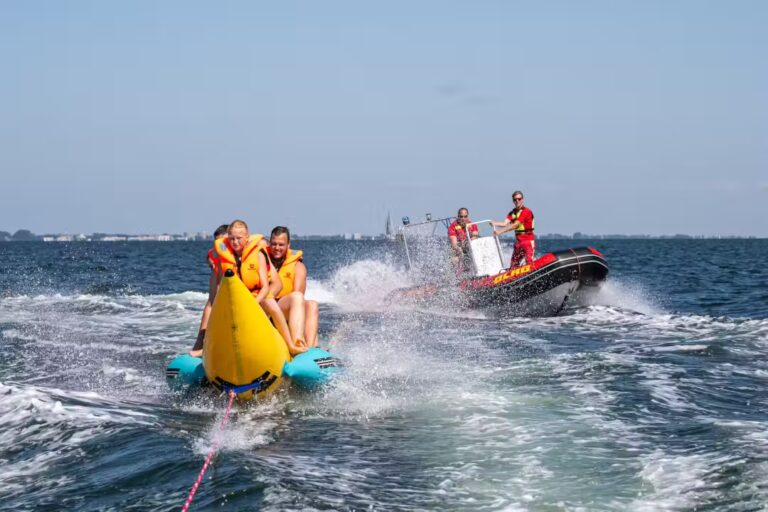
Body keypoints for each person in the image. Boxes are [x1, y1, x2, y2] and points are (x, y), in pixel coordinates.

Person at [191, 220, 306, 356]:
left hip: (257, 301)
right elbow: (220, 289)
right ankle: (207, 349)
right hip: (237, 303)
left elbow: (267, 287)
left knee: (269, 301)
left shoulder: (258, 254)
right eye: (232, 239)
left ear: (247, 238)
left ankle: (291, 345)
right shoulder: (224, 260)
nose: (235, 242)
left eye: (239, 238)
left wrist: (253, 304)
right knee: (218, 309)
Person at [268, 226, 320, 348]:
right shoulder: (263, 260)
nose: (277, 248)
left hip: (285, 309)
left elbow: (298, 295)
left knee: (312, 304)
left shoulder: (297, 266)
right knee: (297, 298)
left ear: (288, 245)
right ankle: (298, 343)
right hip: (268, 309)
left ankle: (310, 348)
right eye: (274, 244)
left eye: (281, 245)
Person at [492, 190, 535, 268]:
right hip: (518, 242)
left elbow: (515, 225)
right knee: (513, 265)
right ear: (513, 201)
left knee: (529, 262)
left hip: (528, 241)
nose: (517, 201)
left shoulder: (526, 212)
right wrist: (494, 223)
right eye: (515, 199)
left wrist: (500, 232)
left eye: (519, 199)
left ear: (522, 199)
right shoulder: (512, 213)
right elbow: (505, 223)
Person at [447, 207, 479, 273]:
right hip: (458, 246)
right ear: (458, 217)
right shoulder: (452, 227)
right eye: (461, 217)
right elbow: (454, 244)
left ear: (468, 216)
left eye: (465, 216)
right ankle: (456, 277)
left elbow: (475, 237)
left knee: (474, 247)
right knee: (455, 258)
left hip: (468, 244)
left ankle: (478, 270)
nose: (463, 219)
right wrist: (460, 249)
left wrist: (469, 234)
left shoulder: (472, 225)